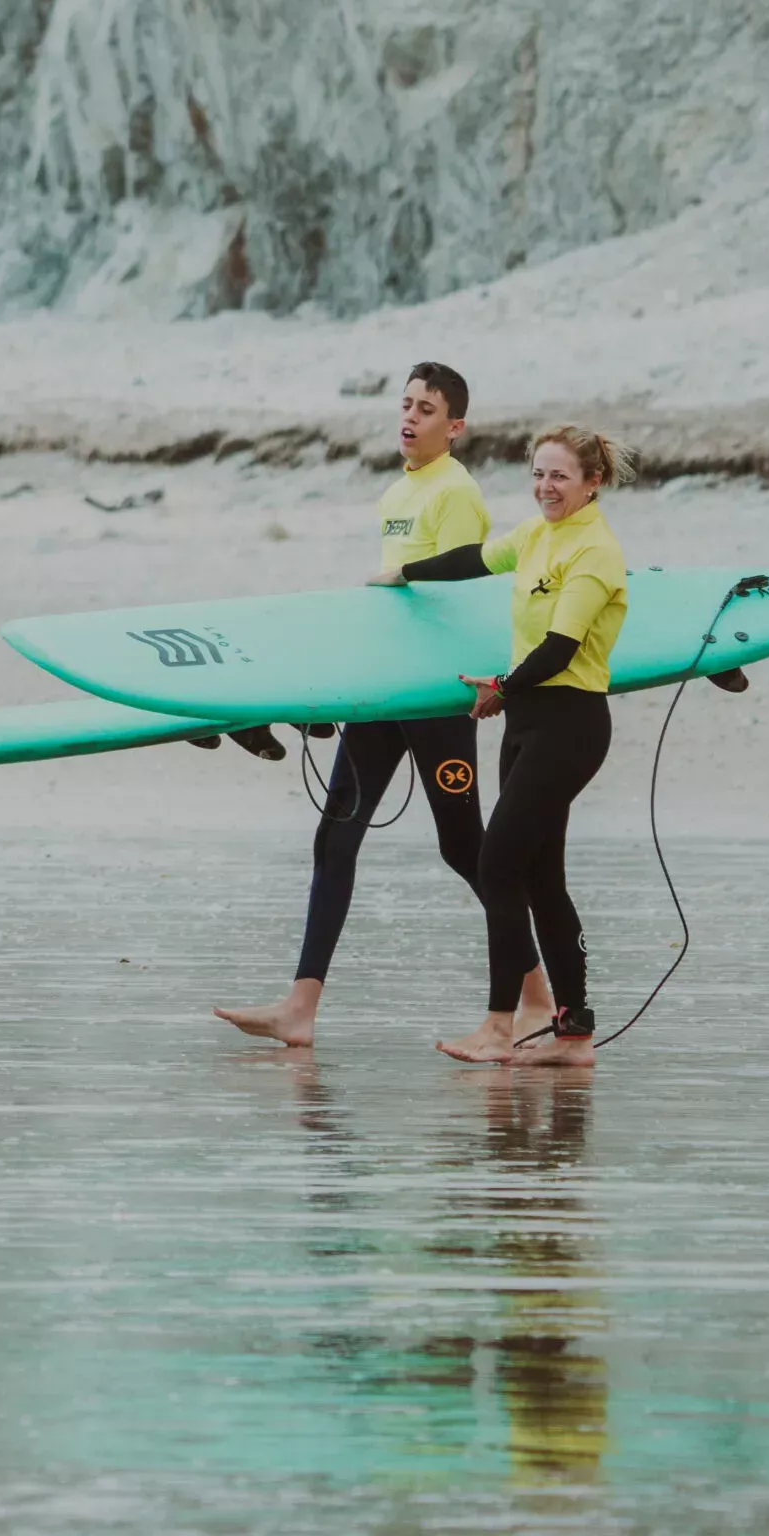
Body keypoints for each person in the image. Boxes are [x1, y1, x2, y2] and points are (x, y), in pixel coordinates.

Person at [218, 363, 554, 1048]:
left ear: (454, 425)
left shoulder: (456, 491)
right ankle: (299, 1009)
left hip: (432, 697)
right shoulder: (399, 490)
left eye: (426, 409)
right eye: (405, 404)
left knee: (465, 847)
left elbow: (464, 589)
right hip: (384, 689)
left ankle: (539, 996)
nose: (409, 417)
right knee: (334, 833)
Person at [379, 423, 635, 1067]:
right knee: (541, 876)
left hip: (569, 723)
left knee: (496, 864)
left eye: (560, 477)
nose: (546, 488)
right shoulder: (536, 535)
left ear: (592, 482)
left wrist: (500, 686)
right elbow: (474, 560)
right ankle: (574, 1035)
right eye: (538, 475)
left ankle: (499, 1026)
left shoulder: (595, 551)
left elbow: (561, 647)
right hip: (527, 723)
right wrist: (403, 573)